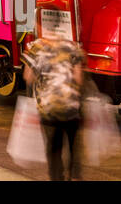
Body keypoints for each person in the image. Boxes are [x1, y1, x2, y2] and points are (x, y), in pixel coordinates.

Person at [23, 35, 86, 181]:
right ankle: (74, 175)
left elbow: (28, 77)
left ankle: (57, 177)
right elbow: (79, 79)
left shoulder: (35, 48)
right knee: (73, 146)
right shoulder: (72, 46)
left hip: (49, 107)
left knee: (54, 149)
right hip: (71, 106)